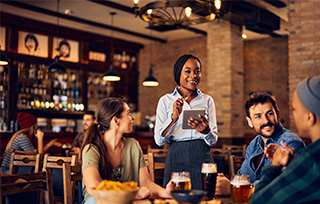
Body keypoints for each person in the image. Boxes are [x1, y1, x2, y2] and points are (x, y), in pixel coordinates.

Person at [81, 97, 171, 204]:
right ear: (116, 120)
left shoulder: (133, 145)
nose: (132, 117)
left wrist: (166, 192)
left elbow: (146, 183)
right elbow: (93, 186)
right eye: (128, 113)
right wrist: (133, 192)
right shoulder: (91, 149)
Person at [215, 91, 305, 196]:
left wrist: (233, 188)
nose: (266, 120)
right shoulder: (253, 144)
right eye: (258, 116)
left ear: (278, 114)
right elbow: (243, 177)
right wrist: (227, 182)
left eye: (270, 113)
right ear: (250, 122)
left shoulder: (290, 142)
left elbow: (280, 185)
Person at [251, 75, 320, 203]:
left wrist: (275, 166)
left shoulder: (310, 158)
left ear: (309, 117)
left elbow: (259, 200)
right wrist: (294, 164)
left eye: (294, 109)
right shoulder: (307, 161)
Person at [154, 54, 218, 190]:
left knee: (206, 199)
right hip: (176, 157)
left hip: (203, 157)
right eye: (188, 71)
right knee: (174, 199)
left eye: (197, 71)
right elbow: (159, 141)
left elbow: (213, 141)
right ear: (178, 74)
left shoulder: (207, 100)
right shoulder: (165, 101)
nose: (193, 75)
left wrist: (206, 132)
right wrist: (173, 119)